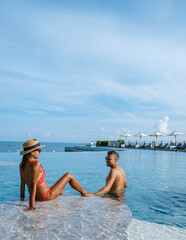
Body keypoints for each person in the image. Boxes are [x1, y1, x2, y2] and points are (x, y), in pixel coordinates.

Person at [19, 139, 90, 211]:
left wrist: (22, 200)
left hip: (37, 197)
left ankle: (60, 192)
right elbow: (33, 186)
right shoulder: (35, 164)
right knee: (69, 175)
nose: (39, 152)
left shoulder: (22, 165)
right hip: (46, 196)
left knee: (61, 190)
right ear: (31, 152)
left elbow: (22, 183)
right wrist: (31, 206)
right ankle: (84, 193)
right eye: (38, 150)